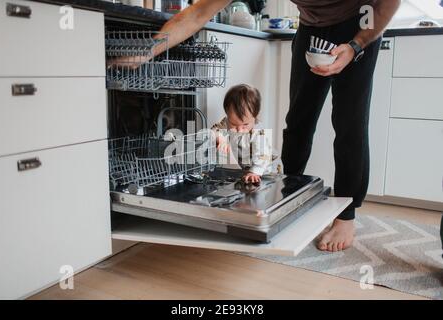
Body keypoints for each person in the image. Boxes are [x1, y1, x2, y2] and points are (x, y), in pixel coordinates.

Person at [117, 0, 401, 252]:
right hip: (312, 28)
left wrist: (354, 46)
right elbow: (200, 11)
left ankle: (346, 216)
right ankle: (288, 199)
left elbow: (389, 3)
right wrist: (149, 50)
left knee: (349, 122)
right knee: (299, 121)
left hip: (361, 22)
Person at [211, 84, 273, 184]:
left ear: (255, 116)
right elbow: (213, 130)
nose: (240, 129)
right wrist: (220, 137)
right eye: (234, 124)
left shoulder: (258, 133)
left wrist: (255, 172)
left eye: (245, 124)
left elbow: (264, 155)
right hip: (243, 171)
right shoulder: (225, 123)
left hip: (261, 172)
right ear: (227, 115)